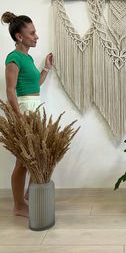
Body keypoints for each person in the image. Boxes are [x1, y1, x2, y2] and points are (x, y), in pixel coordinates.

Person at [1, 11, 53, 218]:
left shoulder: (28, 58)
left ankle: (29, 197)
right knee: (23, 160)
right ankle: (18, 206)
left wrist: (47, 69)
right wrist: (18, 117)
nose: (36, 36)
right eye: (32, 33)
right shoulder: (13, 58)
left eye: (36, 32)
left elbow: (35, 85)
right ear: (19, 37)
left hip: (35, 106)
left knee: (36, 157)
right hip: (24, 109)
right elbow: (10, 90)